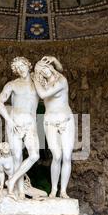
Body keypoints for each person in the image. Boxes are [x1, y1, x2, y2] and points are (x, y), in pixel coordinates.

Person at [0, 57, 40, 199]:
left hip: (30, 123)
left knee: (34, 155)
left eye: (22, 66)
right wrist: (9, 120)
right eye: (17, 68)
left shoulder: (37, 84)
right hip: (15, 122)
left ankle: (12, 180)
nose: (21, 69)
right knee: (17, 157)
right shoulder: (12, 84)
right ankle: (20, 193)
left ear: (28, 66)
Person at [33, 56, 74, 199]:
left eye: (45, 67)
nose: (44, 71)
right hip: (49, 121)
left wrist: (55, 60)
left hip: (66, 120)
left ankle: (63, 191)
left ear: (50, 67)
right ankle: (54, 190)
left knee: (67, 156)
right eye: (40, 71)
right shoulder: (43, 85)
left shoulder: (61, 80)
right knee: (57, 156)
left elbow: (43, 94)